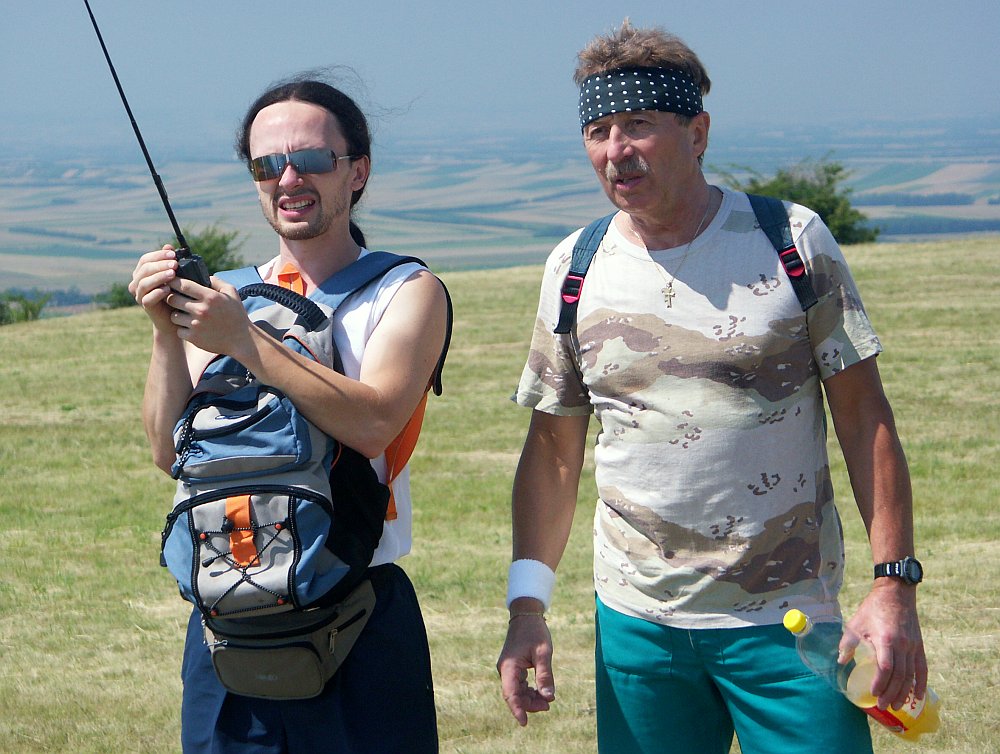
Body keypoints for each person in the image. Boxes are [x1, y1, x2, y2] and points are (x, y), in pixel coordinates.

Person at [496, 20, 927, 754]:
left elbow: (865, 419)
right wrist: (526, 606)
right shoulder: (574, 266)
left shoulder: (790, 241)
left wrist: (894, 585)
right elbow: (554, 453)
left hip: (792, 623)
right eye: (598, 131)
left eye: (638, 124)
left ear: (697, 133)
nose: (616, 149)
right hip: (638, 628)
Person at [129, 75, 447, 753]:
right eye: (267, 164)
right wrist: (165, 332)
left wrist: (243, 339)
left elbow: (374, 425)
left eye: (311, 159)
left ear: (357, 172)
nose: (289, 178)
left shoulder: (406, 289)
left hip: (358, 611)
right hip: (225, 616)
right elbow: (167, 452)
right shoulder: (227, 296)